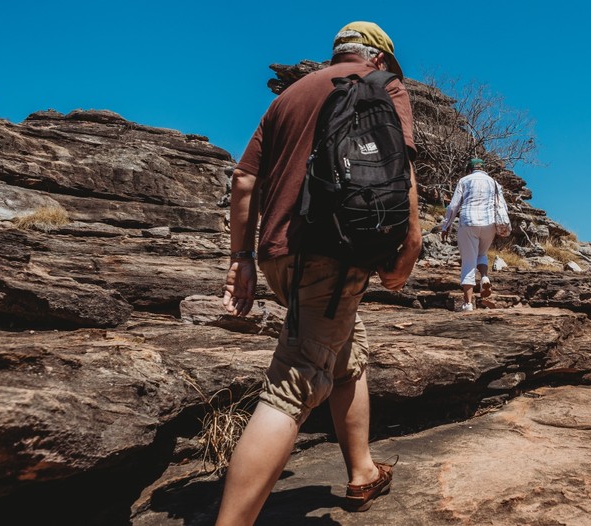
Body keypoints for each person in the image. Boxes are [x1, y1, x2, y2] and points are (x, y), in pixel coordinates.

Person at [219, 21, 421, 524]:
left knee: (347, 352)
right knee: (294, 383)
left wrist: (239, 261)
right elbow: (402, 168)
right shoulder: (381, 86)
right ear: (379, 58)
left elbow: (244, 181)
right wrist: (410, 245)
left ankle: (362, 471)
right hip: (333, 252)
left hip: (276, 255)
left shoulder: (287, 98)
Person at [439, 158, 509, 311]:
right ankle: (484, 277)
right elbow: (501, 204)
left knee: (468, 262)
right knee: (482, 253)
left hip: (469, 222)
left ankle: (468, 303)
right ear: (483, 168)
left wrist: (446, 226)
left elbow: (453, 206)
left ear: (469, 169)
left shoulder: (464, 180)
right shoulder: (494, 183)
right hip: (489, 224)